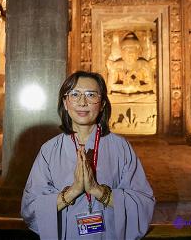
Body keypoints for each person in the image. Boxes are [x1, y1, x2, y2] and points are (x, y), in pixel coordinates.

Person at [21, 71, 155, 239]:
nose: (82, 102)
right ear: (65, 102)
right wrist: (73, 191)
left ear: (103, 104)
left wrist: (97, 190)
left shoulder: (121, 148)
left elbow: (143, 204)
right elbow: (30, 208)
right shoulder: (49, 150)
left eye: (91, 95)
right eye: (75, 94)